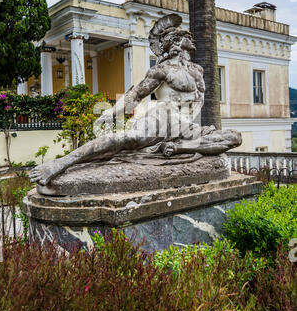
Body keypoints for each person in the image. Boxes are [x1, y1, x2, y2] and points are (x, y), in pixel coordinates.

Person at [30, 14, 241, 186]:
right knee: (123, 141)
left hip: (187, 128)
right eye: (185, 36)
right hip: (163, 119)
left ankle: (178, 148)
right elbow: (136, 95)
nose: (191, 39)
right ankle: (60, 164)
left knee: (234, 137)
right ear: (175, 41)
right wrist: (111, 114)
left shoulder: (198, 70)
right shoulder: (162, 70)